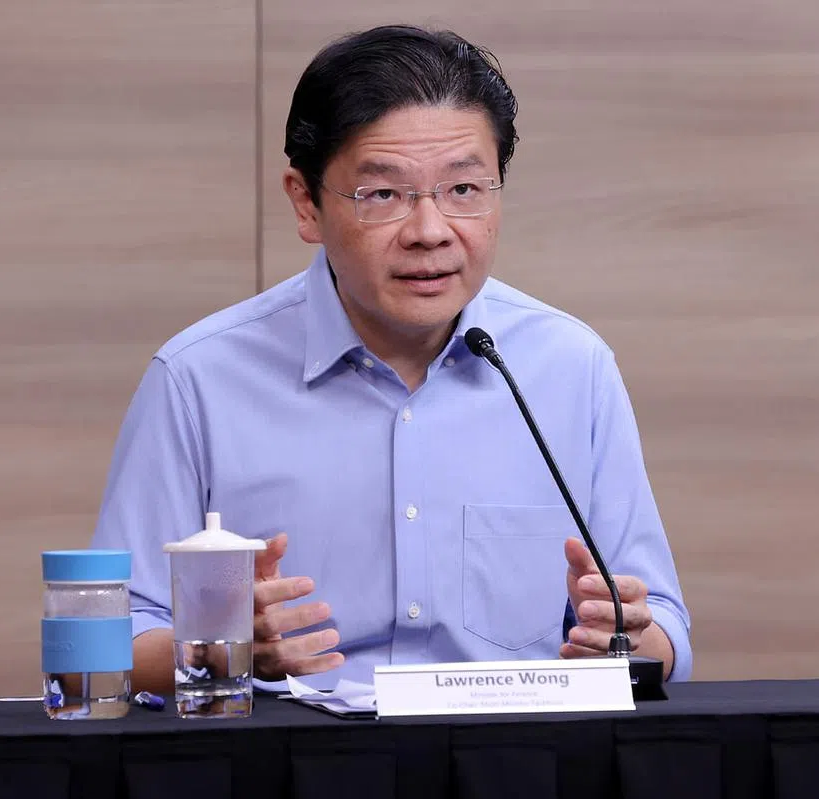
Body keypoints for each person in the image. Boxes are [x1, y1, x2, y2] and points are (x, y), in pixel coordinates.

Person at [89, 24, 692, 693]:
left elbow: (663, 628)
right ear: (305, 202)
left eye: (464, 190)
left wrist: (624, 638)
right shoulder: (199, 379)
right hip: (291, 749)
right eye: (383, 195)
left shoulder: (570, 368)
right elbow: (106, 640)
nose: (430, 232)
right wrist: (220, 646)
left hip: (507, 750)